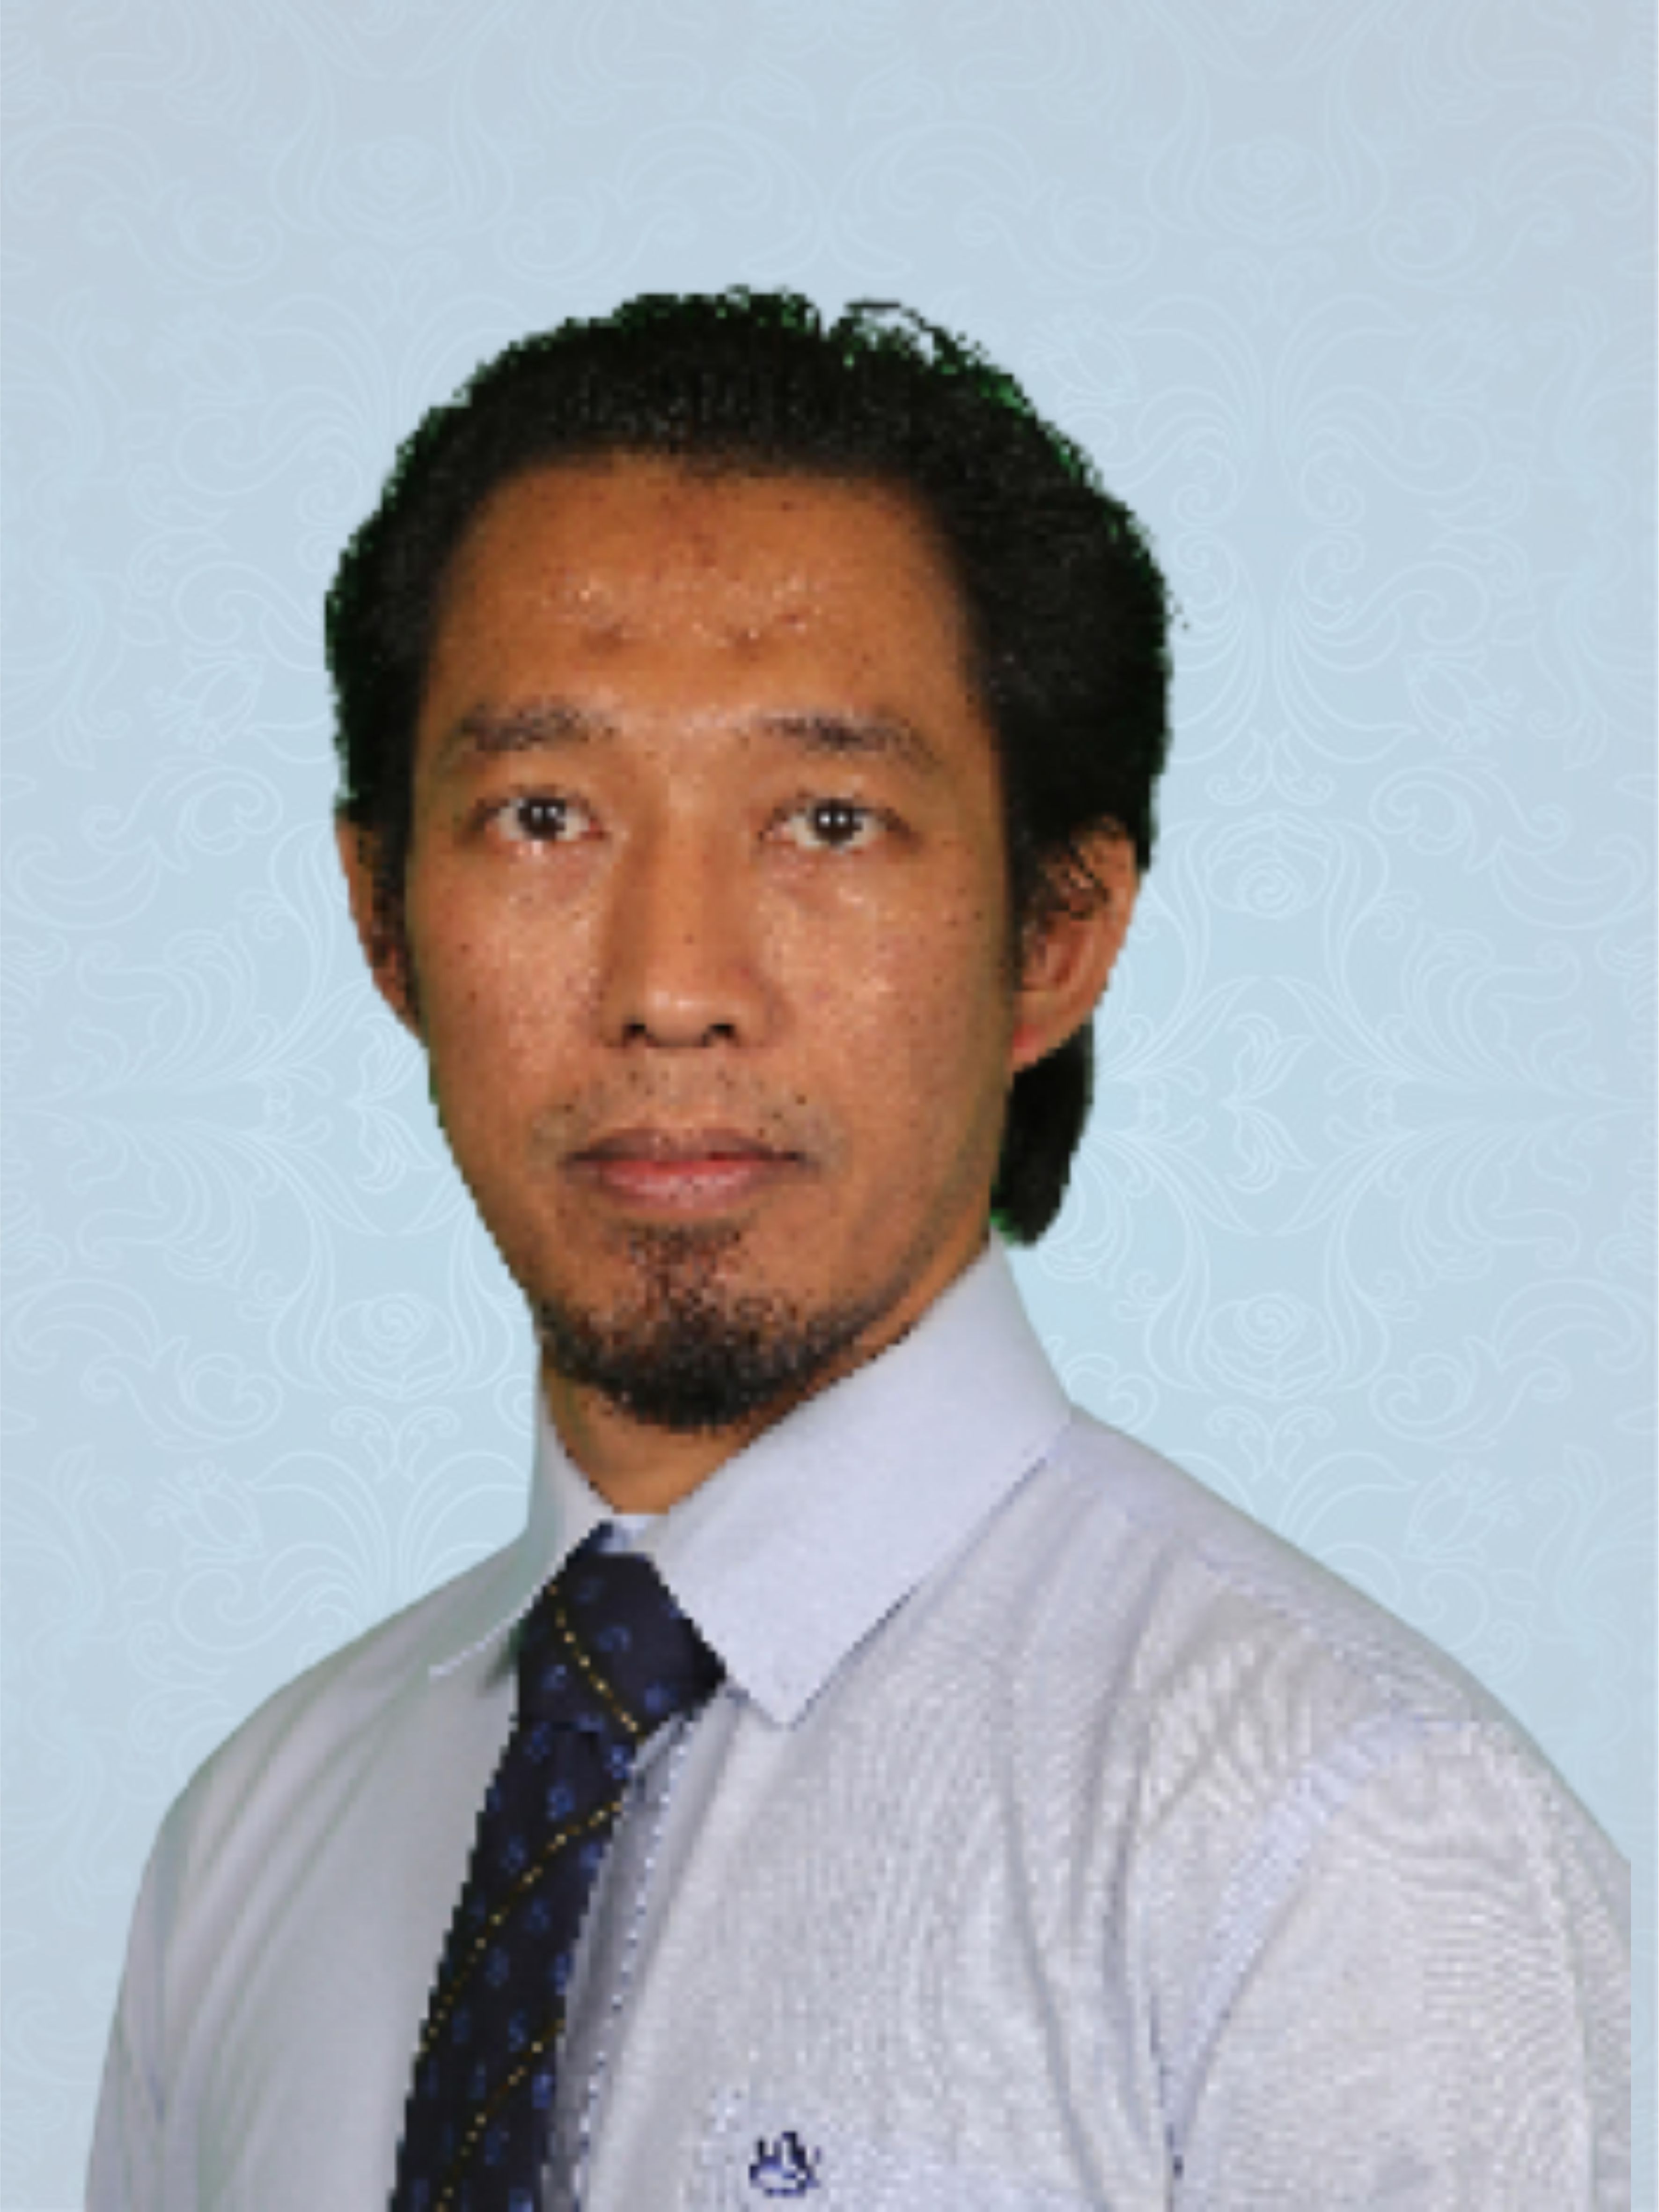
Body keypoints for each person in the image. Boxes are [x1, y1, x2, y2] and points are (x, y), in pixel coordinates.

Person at [89, 291, 1628, 2210]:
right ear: (383, 916)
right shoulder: (249, 1845)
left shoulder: (1343, 1835)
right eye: (544, 814)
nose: (672, 983)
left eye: (829, 820)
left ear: (1054, 934)